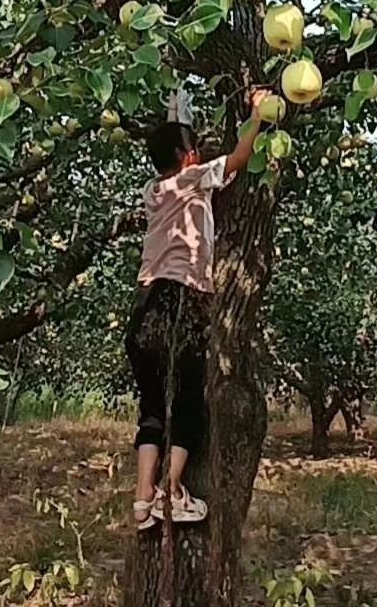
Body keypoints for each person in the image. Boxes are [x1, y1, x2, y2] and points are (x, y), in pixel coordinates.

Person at [125, 85, 269, 530]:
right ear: (186, 157)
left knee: (152, 407)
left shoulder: (154, 190)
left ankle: (141, 501)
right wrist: (259, 116)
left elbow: (175, 139)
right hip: (179, 304)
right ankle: (172, 492)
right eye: (194, 147)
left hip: (144, 308)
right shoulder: (192, 180)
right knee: (188, 404)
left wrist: (176, 110)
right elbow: (240, 160)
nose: (200, 151)